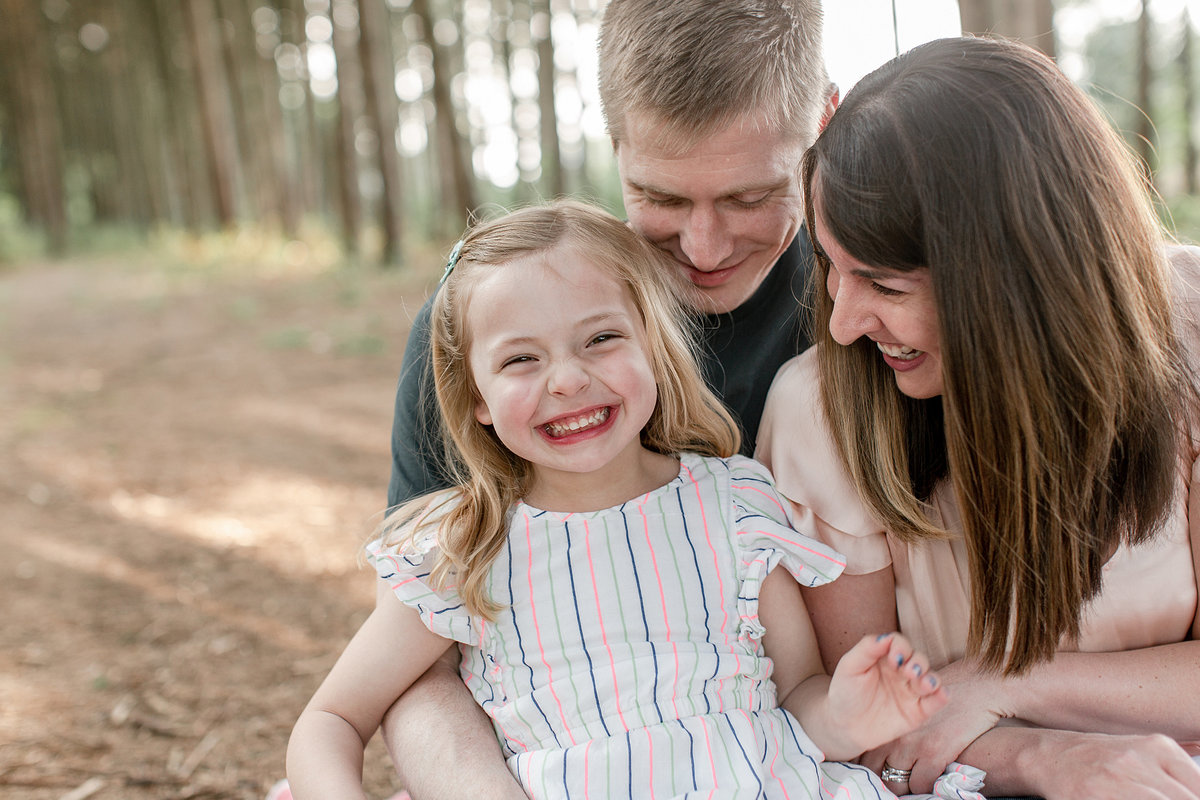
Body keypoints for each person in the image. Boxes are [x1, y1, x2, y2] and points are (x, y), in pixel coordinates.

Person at [286, 201, 949, 799]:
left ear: (652, 346)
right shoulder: (465, 549)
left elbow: (797, 698)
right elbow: (331, 720)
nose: (569, 380)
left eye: (601, 339)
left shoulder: (735, 507)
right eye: (521, 360)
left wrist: (846, 715)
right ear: (477, 399)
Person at [380, 2, 837, 796]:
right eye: (660, 197)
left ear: (825, 120)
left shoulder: (871, 309)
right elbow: (423, 662)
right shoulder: (491, 330)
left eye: (748, 196)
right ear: (613, 136)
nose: (704, 248)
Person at [756, 35, 1200, 800]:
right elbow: (865, 730)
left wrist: (1006, 681)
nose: (843, 324)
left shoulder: (1186, 330)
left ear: (1017, 279)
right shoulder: (821, 411)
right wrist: (1045, 759)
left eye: (885, 287)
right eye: (833, 269)